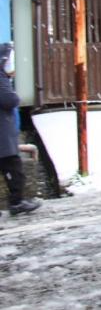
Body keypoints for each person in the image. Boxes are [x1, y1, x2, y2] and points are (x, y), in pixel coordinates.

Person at [0, 43, 40, 216]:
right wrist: (16, 96)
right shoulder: (1, 77)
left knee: (12, 168)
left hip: (4, 134)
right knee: (14, 169)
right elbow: (9, 100)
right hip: (2, 135)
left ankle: (17, 201)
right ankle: (16, 202)